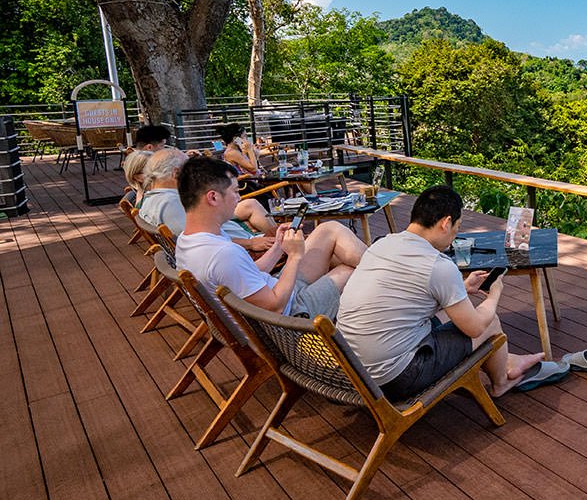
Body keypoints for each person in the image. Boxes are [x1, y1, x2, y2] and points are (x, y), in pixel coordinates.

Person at [336, 186, 544, 400]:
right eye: (457, 226)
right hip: (392, 380)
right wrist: (495, 294)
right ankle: (501, 382)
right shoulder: (437, 265)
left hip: (351, 370)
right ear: (446, 223)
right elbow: (475, 328)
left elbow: (406, 296)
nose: (455, 236)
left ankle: (509, 360)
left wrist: (462, 288)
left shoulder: (382, 244)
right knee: (489, 321)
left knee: (451, 314)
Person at [175, 157, 366, 317]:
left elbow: (249, 272)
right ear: (213, 197)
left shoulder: (190, 239)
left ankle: (389, 266)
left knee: (329, 230)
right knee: (352, 268)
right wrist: (294, 256)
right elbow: (276, 306)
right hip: (293, 314)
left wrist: (277, 247)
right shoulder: (223, 255)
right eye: (234, 191)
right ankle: (391, 270)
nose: (239, 198)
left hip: (274, 289)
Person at [139, 148, 277, 253]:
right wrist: (250, 243)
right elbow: (200, 241)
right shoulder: (170, 204)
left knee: (288, 231)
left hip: (239, 244)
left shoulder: (154, 198)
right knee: (294, 239)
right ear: (176, 173)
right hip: (240, 251)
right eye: (189, 168)